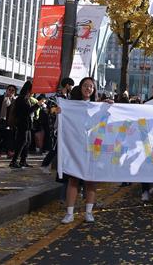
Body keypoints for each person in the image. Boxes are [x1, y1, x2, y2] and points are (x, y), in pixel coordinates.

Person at [61, 77, 109, 224]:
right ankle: (70, 213)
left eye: (91, 87)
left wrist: (109, 107)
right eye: (86, 86)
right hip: (75, 146)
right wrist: (59, 112)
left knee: (90, 179)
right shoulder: (70, 105)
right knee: (73, 179)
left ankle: (88, 212)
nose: (88, 89)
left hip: (93, 147)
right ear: (80, 87)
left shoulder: (98, 106)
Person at [41, 78, 73, 174]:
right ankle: (45, 165)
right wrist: (57, 111)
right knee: (55, 147)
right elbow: (50, 110)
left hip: (65, 126)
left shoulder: (68, 97)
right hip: (56, 126)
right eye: (71, 85)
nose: (71, 87)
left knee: (59, 148)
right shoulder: (56, 97)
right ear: (67, 85)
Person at [9, 81, 45, 169]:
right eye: (32, 90)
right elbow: (27, 112)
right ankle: (14, 161)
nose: (33, 93)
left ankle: (23, 161)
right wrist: (38, 104)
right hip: (22, 124)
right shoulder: (21, 99)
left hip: (27, 124)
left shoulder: (27, 99)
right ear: (28, 90)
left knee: (27, 142)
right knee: (22, 142)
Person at [0, 84, 17, 157]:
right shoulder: (0, 98)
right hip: (0, 120)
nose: (11, 91)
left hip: (10, 121)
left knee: (10, 137)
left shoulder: (15, 100)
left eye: (13, 90)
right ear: (6, 90)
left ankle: (9, 151)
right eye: (9, 89)